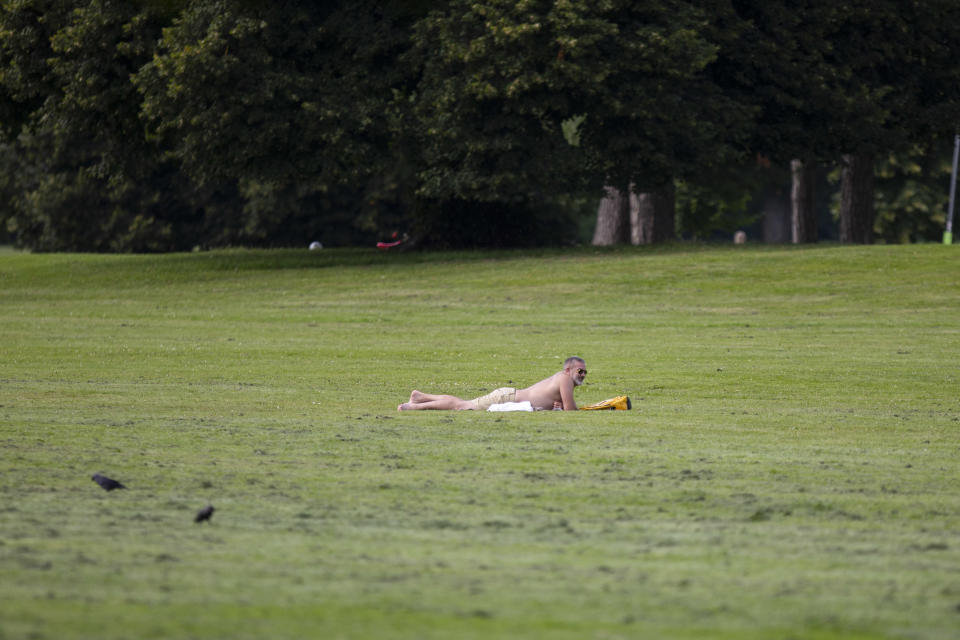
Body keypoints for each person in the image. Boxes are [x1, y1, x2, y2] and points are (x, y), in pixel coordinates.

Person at [398, 357, 587, 411]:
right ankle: (413, 406)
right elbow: (571, 411)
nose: (583, 374)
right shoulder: (564, 379)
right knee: (462, 406)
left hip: (509, 396)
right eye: (580, 371)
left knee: (464, 403)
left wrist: (557, 408)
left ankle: (421, 397)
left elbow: (562, 407)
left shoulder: (561, 379)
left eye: (585, 372)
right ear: (568, 370)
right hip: (507, 398)